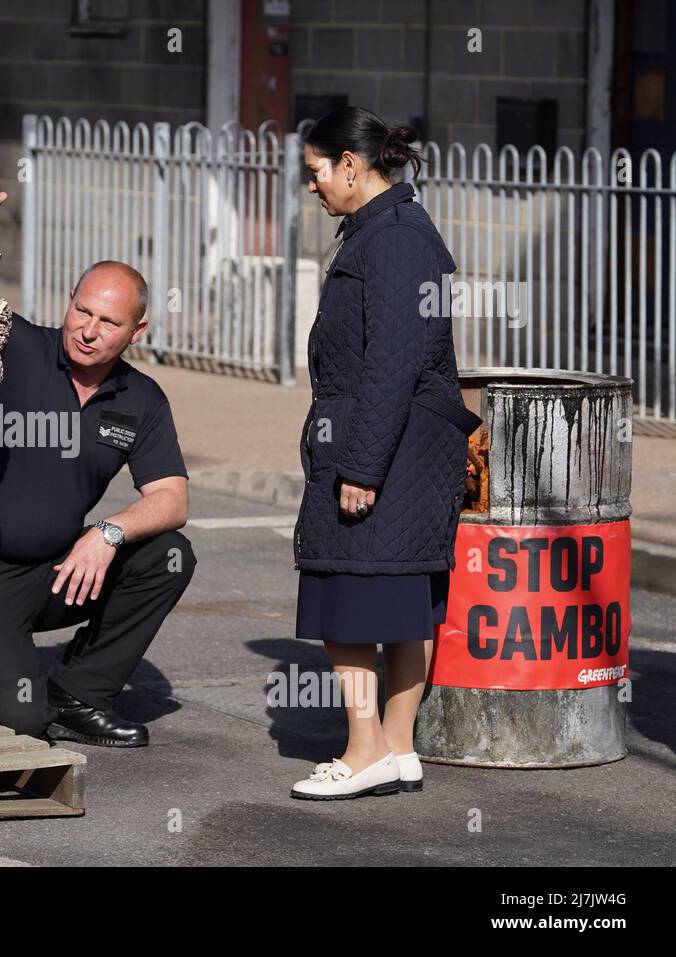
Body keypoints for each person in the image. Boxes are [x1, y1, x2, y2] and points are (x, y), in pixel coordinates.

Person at [0, 173, 196, 747]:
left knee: (167, 555)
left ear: (137, 330)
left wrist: (108, 534)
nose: (89, 331)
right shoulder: (15, 347)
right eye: (82, 311)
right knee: (21, 720)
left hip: (56, 571)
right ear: (69, 302)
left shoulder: (140, 398)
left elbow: (172, 499)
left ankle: (79, 695)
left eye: (109, 322)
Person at [289, 107, 481, 800]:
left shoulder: (395, 238)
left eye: (315, 171)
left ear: (351, 163)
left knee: (349, 591)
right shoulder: (387, 229)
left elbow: (392, 363)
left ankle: (365, 747)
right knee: (403, 597)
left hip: (386, 448)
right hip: (405, 446)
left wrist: (360, 467)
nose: (310, 185)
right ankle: (398, 746)